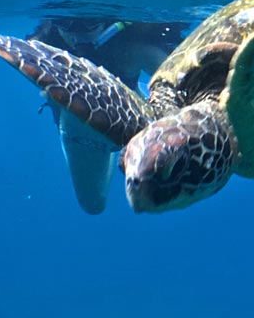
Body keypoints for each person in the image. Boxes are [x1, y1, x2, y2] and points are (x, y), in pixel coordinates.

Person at [26, 18, 183, 214]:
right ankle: (111, 142)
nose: (77, 33)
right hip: (81, 133)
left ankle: (138, 100)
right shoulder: (42, 50)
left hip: (132, 118)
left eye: (89, 21)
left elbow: (183, 84)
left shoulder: (133, 50)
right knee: (93, 203)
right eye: (64, 22)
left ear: (107, 20)